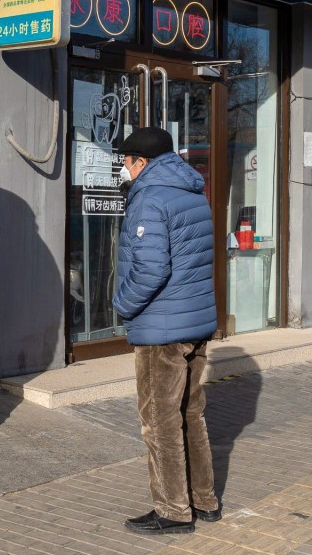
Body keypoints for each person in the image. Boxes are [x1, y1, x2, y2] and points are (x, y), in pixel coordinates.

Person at [112, 126, 220, 535]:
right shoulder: (192, 192)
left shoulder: (150, 198)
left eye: (126, 161)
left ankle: (173, 510)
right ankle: (204, 500)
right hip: (193, 322)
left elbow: (151, 269)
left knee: (159, 421)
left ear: (142, 162)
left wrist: (122, 304)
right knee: (191, 415)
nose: (124, 168)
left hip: (161, 330)